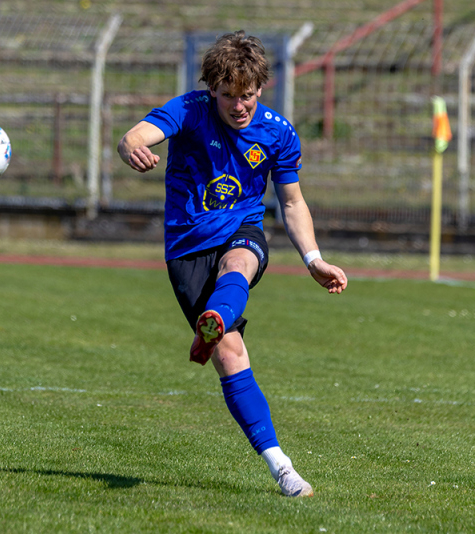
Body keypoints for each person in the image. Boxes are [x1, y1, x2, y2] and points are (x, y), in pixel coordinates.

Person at [117, 30, 348, 497]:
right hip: (187, 247)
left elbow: (292, 202)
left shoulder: (278, 132)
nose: (238, 106)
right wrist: (130, 146)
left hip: (242, 228)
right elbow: (137, 135)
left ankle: (286, 471)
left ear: (261, 88)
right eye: (228, 96)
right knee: (231, 356)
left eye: (247, 95)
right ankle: (274, 455)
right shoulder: (190, 110)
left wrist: (313, 259)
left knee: (239, 263)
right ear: (212, 90)